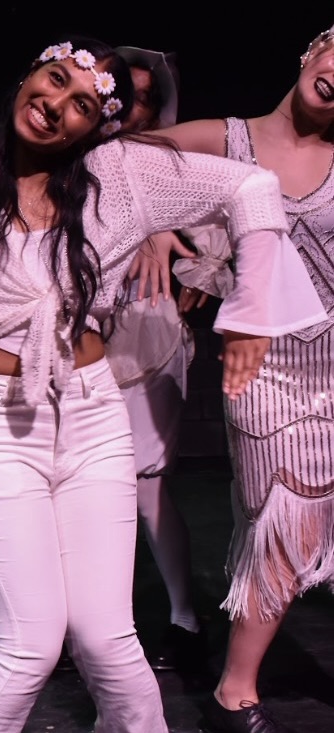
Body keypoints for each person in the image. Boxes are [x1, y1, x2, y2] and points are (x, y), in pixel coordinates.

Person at [0, 36, 327, 733]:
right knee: (28, 647)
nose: (57, 104)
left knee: (110, 643)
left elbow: (250, 187)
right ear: (29, 77)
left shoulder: (119, 176)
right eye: (55, 79)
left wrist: (252, 312)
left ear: (92, 128)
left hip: (94, 415)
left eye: (81, 105)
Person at [148, 22, 334, 733]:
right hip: (266, 367)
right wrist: (156, 225)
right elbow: (120, 160)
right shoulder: (228, 139)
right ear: (314, 50)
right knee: (286, 519)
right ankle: (235, 691)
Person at [104, 45, 207, 673]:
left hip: (148, 336)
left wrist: (198, 270)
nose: (131, 106)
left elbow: (217, 233)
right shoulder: (73, 159)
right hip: (78, 342)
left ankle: (185, 621)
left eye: (144, 96)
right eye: (123, 91)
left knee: (147, 490)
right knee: (85, 494)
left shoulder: (172, 163)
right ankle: (92, 630)